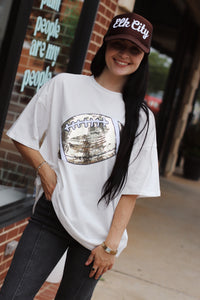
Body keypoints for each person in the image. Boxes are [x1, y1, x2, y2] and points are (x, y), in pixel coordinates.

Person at [0, 12, 160, 300]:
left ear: (143, 57)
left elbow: (131, 189)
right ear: (105, 44)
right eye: (118, 45)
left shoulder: (142, 118)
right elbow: (22, 135)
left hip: (97, 235)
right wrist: (44, 169)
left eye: (134, 50)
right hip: (52, 215)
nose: (124, 55)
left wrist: (110, 246)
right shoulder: (65, 86)